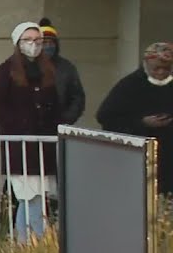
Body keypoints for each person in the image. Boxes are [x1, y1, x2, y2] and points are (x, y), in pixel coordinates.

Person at [0, 22, 62, 240]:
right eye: (28, 40)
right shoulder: (7, 70)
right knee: (28, 198)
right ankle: (29, 243)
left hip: (43, 146)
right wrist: (17, 125)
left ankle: (29, 243)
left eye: (37, 40)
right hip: (20, 146)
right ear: (18, 43)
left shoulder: (47, 70)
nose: (34, 44)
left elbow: (55, 104)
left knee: (38, 198)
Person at [97, 42, 173, 196]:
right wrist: (142, 123)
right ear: (145, 64)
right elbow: (106, 117)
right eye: (156, 68)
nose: (160, 72)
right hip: (139, 159)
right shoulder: (129, 85)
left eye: (166, 69)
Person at [36, 19, 85, 126]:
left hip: (57, 128)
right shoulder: (24, 66)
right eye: (44, 42)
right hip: (29, 131)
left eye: (51, 42)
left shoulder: (66, 68)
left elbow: (77, 98)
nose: (48, 46)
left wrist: (66, 120)